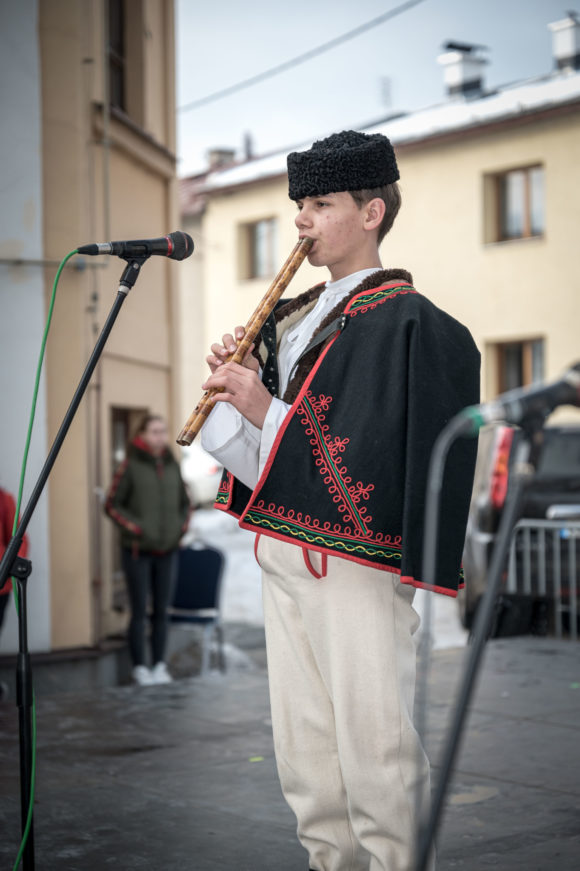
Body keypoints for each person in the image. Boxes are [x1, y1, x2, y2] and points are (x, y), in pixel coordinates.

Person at [200, 130, 480, 871]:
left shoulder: (407, 324)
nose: (301, 220)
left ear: (372, 213)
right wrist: (237, 389)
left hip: (353, 568)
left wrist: (263, 405)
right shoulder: (296, 322)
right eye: (300, 204)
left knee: (375, 744)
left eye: (320, 204)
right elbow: (266, 463)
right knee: (306, 755)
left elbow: (366, 453)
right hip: (285, 553)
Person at [105, 414, 190, 686]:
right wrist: (136, 529)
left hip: (167, 551)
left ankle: (159, 665)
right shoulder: (130, 466)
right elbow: (111, 505)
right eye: (154, 431)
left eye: (163, 431)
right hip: (137, 552)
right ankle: (140, 666)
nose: (160, 437)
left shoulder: (172, 464)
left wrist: (180, 529)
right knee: (140, 611)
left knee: (162, 611)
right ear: (141, 435)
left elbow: (185, 503)